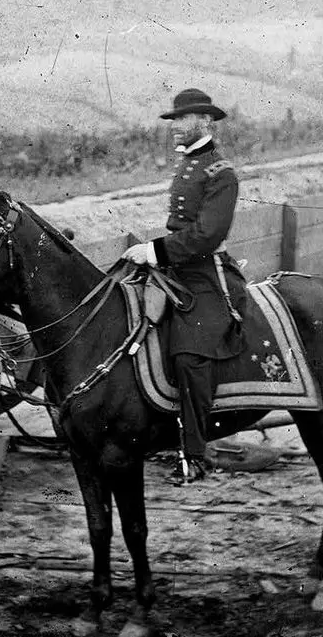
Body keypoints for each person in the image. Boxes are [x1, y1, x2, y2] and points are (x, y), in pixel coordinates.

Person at [122, 88, 247, 485]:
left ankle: (195, 455)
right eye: (174, 121)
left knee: (191, 356)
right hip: (177, 266)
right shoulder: (189, 163)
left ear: (205, 121)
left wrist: (154, 251)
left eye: (182, 120)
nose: (175, 127)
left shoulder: (220, 172)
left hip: (206, 273)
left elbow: (207, 235)